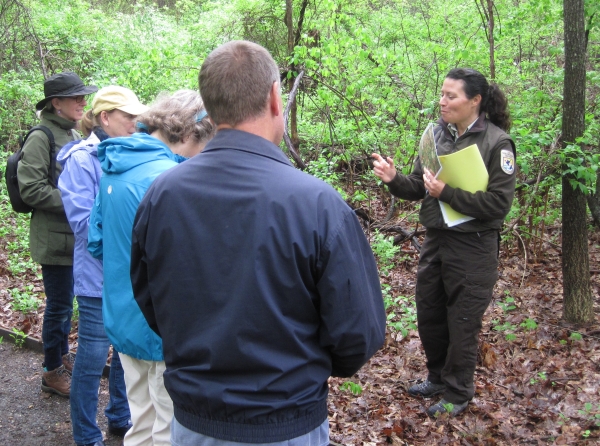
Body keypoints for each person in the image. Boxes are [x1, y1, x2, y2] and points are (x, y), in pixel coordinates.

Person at [130, 40, 386, 446]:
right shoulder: (317, 203)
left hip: (195, 423)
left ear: (209, 108)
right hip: (286, 422)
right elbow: (357, 334)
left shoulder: (162, 194)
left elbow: (149, 300)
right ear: (273, 98)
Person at [372, 68, 516, 417]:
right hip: (436, 241)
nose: (442, 100)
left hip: (474, 246)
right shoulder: (437, 134)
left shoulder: (496, 143)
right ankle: (437, 378)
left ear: (475, 101)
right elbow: (419, 187)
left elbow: (499, 205)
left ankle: (457, 392)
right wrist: (394, 179)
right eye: (442, 93)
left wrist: (448, 193)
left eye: (451, 96)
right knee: (430, 314)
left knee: (463, 321)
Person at [87, 89, 214, 446]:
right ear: (189, 134)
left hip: (122, 317)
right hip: (162, 327)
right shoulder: (169, 179)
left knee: (140, 420)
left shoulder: (114, 167)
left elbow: (96, 242)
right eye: (204, 145)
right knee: (167, 428)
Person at [58, 85, 148, 446]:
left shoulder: (132, 152)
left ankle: (120, 417)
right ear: (106, 117)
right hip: (97, 277)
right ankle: (85, 433)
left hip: (128, 275)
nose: (136, 123)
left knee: (125, 351)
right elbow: (82, 223)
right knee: (93, 356)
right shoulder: (82, 159)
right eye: (129, 117)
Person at [18, 71, 97, 397]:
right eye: (75, 97)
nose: (83, 102)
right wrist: (76, 201)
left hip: (74, 238)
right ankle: (51, 371)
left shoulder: (71, 134)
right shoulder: (42, 137)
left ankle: (61, 356)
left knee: (67, 303)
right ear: (56, 103)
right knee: (60, 305)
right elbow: (31, 189)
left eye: (83, 96)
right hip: (54, 239)